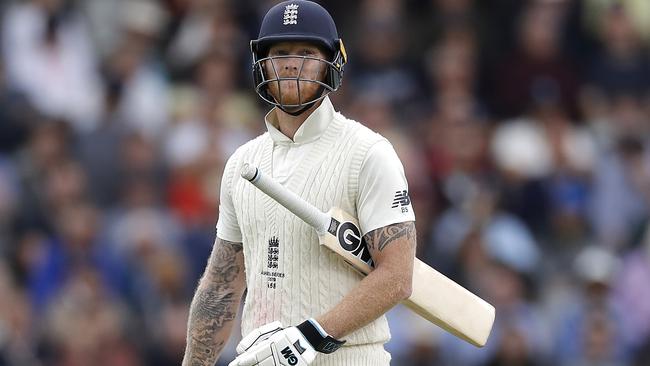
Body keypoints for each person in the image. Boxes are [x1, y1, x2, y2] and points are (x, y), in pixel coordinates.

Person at [182, 1, 416, 365]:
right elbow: (222, 284)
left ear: (332, 62)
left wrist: (309, 337)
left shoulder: (369, 153)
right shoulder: (242, 163)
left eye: (306, 52)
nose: (292, 63)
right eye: (281, 53)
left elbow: (398, 276)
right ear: (263, 64)